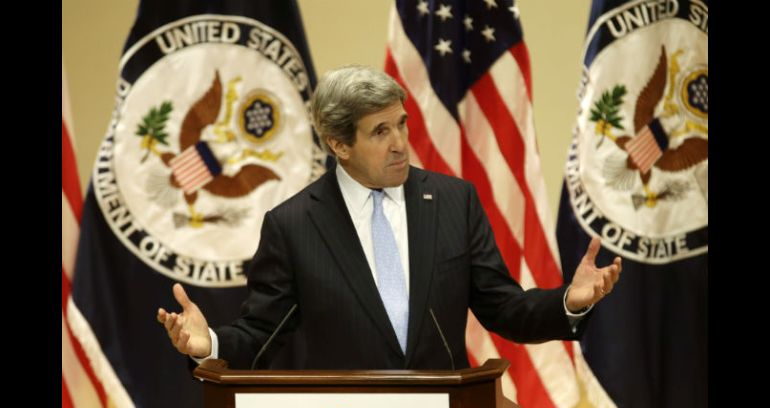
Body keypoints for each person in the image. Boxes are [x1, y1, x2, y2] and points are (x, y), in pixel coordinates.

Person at [157, 65, 621, 371]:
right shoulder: (293, 226)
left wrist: (570, 301)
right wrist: (210, 345)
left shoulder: (453, 201)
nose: (400, 142)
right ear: (339, 144)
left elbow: (505, 309)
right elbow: (262, 333)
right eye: (380, 131)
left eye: (401, 124)